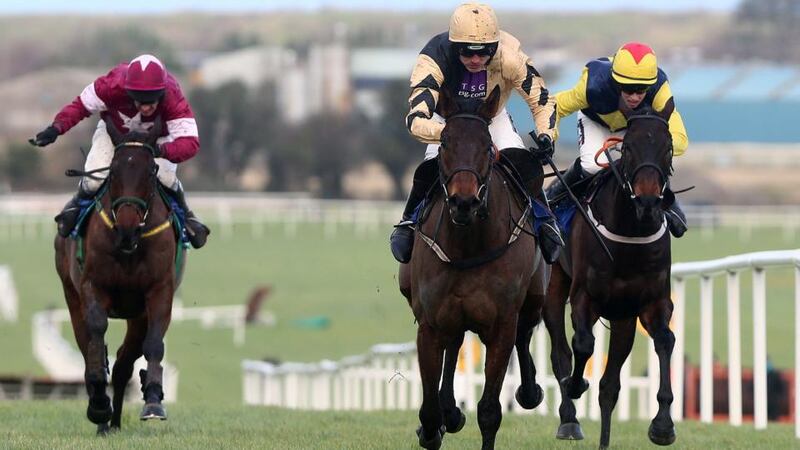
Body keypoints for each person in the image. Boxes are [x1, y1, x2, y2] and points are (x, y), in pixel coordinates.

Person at [390, 2, 563, 264]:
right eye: (467, 53)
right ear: (454, 47)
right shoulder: (432, 59)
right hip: (447, 123)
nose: (475, 60)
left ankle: (544, 219)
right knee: (428, 167)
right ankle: (409, 221)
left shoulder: (510, 58)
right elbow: (416, 119)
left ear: (493, 48)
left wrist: (547, 136)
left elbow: (542, 101)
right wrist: (450, 136)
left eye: (483, 53)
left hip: (491, 119)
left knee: (521, 161)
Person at [30, 54, 210, 248]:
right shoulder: (111, 85)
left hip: (157, 141)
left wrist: (160, 150)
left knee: (165, 178)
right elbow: (81, 106)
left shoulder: (172, 95)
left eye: (152, 100)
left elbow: (190, 143)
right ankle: (75, 207)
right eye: (140, 101)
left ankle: (186, 217)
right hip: (115, 134)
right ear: (129, 92)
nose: (146, 107)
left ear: (162, 92)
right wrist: (56, 128)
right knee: (93, 179)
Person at [549, 42, 689, 237]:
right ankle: (554, 197)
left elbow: (680, 137)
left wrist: (652, 147)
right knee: (593, 167)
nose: (634, 97)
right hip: (595, 121)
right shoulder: (593, 84)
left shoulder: (660, 89)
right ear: (616, 82)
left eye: (641, 90)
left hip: (632, 128)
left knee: (647, 159)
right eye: (628, 89)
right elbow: (555, 106)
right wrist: (549, 137)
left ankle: (670, 204)